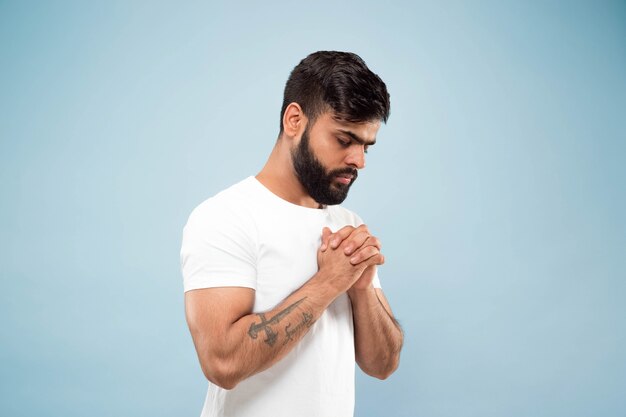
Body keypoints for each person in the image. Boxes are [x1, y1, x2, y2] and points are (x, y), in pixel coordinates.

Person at [180, 51, 403, 417]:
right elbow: (222, 363)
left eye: (366, 145)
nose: (359, 160)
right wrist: (329, 283)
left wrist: (362, 288)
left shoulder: (347, 221)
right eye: (345, 140)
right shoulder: (224, 217)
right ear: (295, 120)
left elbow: (383, 365)